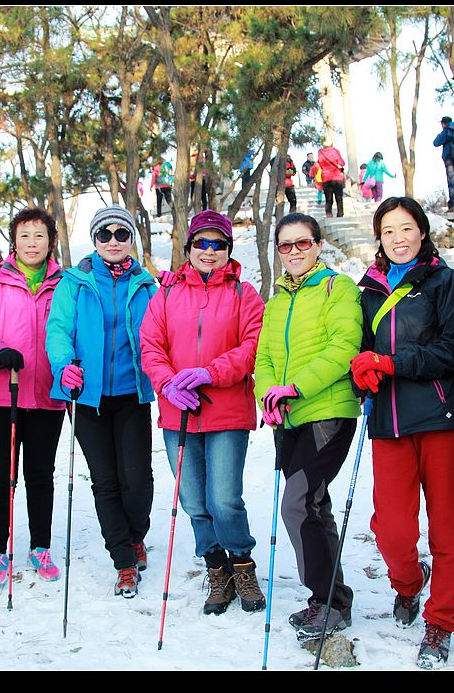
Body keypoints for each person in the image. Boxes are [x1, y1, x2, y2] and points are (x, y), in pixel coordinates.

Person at [352, 197, 454, 669]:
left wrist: (392, 363)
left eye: (406, 228)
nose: (398, 238)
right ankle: (408, 583)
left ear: (422, 232)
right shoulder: (368, 291)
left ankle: (441, 620)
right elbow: (360, 348)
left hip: (443, 422)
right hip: (389, 425)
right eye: (388, 231)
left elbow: (453, 349)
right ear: (379, 239)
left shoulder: (447, 282)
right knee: (392, 531)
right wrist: (360, 369)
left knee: (448, 531)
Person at [140, 210, 266, 616]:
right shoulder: (166, 294)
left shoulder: (244, 294)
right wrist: (168, 383)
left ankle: (242, 564)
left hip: (227, 410)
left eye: (219, 244)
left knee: (225, 499)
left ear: (229, 250)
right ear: (189, 248)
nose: (209, 252)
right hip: (179, 414)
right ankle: (216, 567)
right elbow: (151, 346)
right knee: (195, 501)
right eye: (202, 243)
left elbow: (252, 348)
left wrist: (208, 372)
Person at [254, 212, 364, 641]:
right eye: (286, 245)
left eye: (303, 243)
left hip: (327, 412)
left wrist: (295, 387)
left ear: (318, 245)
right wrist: (269, 394)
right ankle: (334, 597)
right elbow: (263, 356)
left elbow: (343, 347)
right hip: (289, 417)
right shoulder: (277, 299)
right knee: (314, 505)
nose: (295, 252)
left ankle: (328, 599)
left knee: (298, 504)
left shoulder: (339, 288)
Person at [45, 205, 158, 599]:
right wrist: (63, 367)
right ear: (94, 241)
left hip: (132, 393)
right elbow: (58, 329)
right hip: (86, 396)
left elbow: (159, 333)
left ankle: (136, 534)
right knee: (105, 480)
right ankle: (124, 560)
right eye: (104, 234)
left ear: (131, 240)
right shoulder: (73, 283)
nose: (113, 241)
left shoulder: (147, 285)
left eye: (121, 234)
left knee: (137, 478)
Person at [0, 209, 67, 593]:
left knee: (41, 476)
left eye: (40, 236)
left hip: (47, 395)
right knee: (1, 477)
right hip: (2, 394)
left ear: (51, 241)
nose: (32, 243)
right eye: (25, 236)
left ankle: (40, 547)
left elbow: (71, 330)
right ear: (14, 241)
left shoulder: (65, 282)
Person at [434, 116, 454, 212]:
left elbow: (436, 143)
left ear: (443, 123)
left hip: (450, 161)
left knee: (452, 184)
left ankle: (452, 206)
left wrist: (441, 134)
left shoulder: (446, 131)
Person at [317, 140, 347, 218]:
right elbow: (342, 163)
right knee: (339, 198)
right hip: (336, 177)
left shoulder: (320, 152)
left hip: (326, 178)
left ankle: (329, 214)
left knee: (328, 199)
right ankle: (340, 214)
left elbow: (319, 163)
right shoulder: (335, 151)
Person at [190, 147, 209, 211]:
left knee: (193, 195)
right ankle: (204, 209)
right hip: (202, 178)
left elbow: (190, 169)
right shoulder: (203, 158)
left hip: (193, 179)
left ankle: (197, 208)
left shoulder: (191, 159)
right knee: (203, 195)